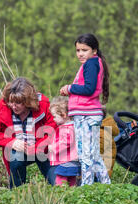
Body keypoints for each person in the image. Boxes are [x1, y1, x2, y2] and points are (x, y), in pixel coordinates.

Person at [0, 77, 57, 188]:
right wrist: (11, 142)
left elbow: (53, 128)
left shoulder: (43, 104)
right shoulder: (2, 106)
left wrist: (37, 147)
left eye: (18, 103)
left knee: (57, 182)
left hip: (43, 150)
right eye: (11, 102)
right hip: (19, 152)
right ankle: (17, 193)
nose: (13, 106)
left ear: (27, 101)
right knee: (15, 158)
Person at [59, 33, 111, 185]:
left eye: (84, 50)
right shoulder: (94, 63)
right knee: (94, 154)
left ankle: (86, 188)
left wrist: (70, 88)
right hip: (89, 114)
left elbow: (89, 89)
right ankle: (106, 185)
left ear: (94, 50)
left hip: (86, 115)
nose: (80, 54)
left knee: (85, 155)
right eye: (78, 50)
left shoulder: (91, 64)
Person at [48, 96, 80, 186]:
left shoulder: (67, 128)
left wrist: (53, 148)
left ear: (64, 115)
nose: (53, 119)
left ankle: (62, 198)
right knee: (72, 182)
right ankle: (72, 197)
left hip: (66, 161)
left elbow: (66, 142)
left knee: (60, 183)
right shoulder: (72, 127)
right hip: (72, 161)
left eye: (54, 116)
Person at [100, 105, 119, 178]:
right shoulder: (106, 129)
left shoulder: (101, 132)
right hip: (106, 169)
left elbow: (97, 152)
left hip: (100, 171)